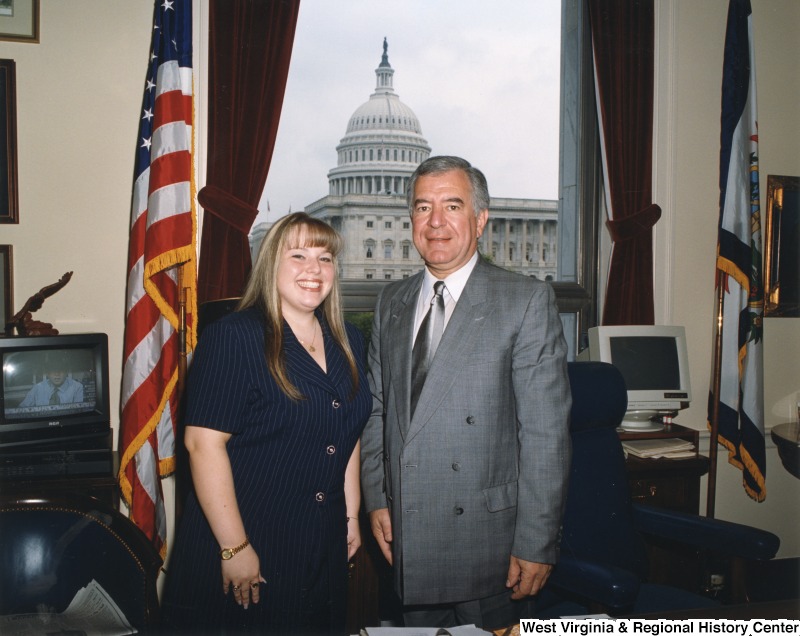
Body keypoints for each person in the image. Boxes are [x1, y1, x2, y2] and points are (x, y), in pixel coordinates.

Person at [360, 156, 572, 630]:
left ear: (479, 220)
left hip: (488, 548)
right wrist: (376, 497)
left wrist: (536, 543)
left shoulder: (524, 300)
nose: (436, 223)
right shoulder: (390, 302)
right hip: (406, 533)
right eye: (422, 208)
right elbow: (377, 412)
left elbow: (545, 436)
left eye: (452, 206)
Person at [161, 213, 372, 635]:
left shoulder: (348, 339)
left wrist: (349, 516)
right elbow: (203, 446)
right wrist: (234, 547)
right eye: (298, 255)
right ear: (270, 264)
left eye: (325, 257)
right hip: (246, 535)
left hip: (322, 541)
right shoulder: (234, 336)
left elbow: (345, 433)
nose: (314, 270)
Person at [19, 353, 84, 407]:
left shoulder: (77, 387)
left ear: (66, 371)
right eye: (53, 370)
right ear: (47, 373)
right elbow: (21, 410)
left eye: (60, 369)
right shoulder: (37, 388)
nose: (57, 374)